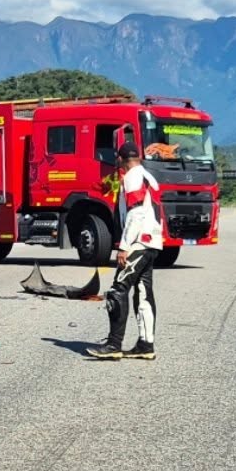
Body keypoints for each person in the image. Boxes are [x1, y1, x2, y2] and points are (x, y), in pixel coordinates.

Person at [87, 142, 160, 360]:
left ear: (120, 159)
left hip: (138, 242)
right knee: (143, 292)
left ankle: (113, 345)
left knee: (119, 289)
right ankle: (146, 345)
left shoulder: (132, 177)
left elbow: (135, 213)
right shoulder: (149, 176)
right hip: (153, 241)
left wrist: (124, 246)